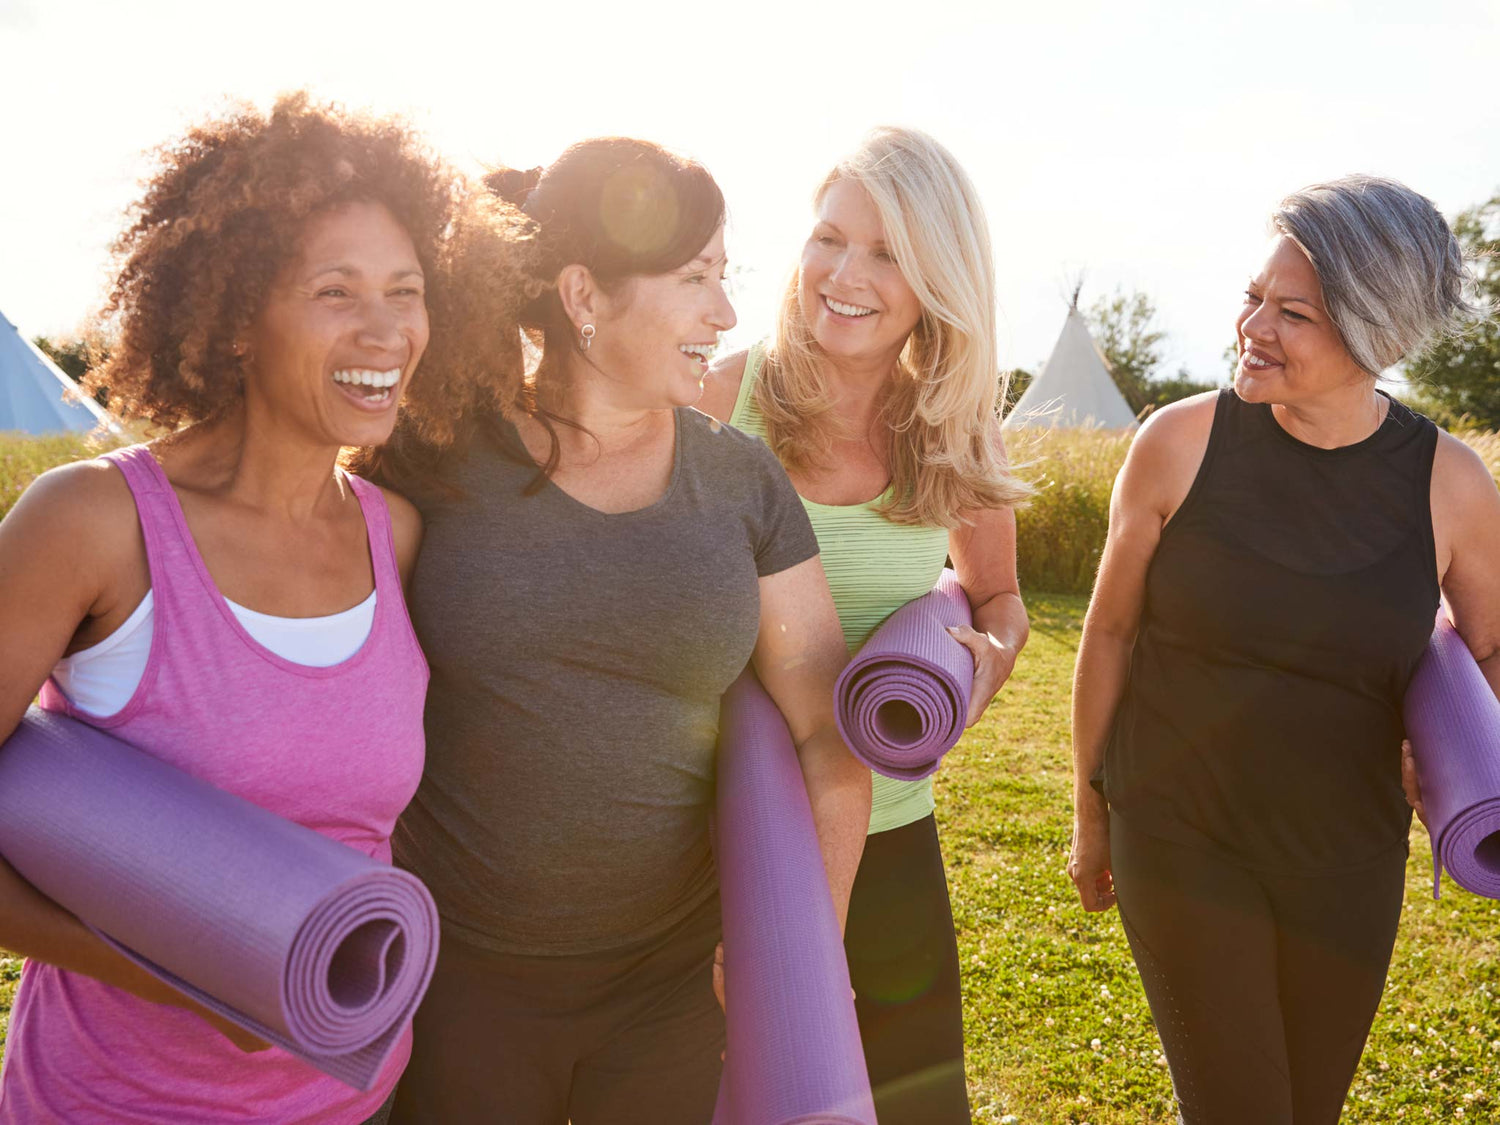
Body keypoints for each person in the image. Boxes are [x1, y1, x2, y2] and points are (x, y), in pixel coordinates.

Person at [0, 93, 477, 1125]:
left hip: (352, 1100)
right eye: (335, 291)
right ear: (237, 320)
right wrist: (192, 970)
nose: (386, 328)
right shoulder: (93, 523)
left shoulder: (395, 536)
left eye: (407, 289)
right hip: (113, 1103)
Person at [375, 138, 872, 1125]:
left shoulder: (739, 481)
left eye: (725, 278)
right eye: (695, 279)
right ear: (583, 296)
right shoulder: (428, 459)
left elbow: (827, 736)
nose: (726, 314)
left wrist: (803, 951)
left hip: (669, 992)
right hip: (457, 980)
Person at [1067, 175, 1500, 1125]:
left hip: (1348, 855)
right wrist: (1091, 810)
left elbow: (1492, 651)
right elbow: (1108, 630)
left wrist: (1454, 750)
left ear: (1374, 333)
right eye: (1253, 296)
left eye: (1291, 311)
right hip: (1178, 831)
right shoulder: (1176, 442)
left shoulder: (1451, 484)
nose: (1252, 325)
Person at [698, 126, 1031, 1125]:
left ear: (937, 277)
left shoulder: (953, 425)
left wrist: (988, 662)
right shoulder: (723, 397)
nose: (844, 274)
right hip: (717, 841)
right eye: (829, 237)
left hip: (889, 839)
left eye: (886, 252)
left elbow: (999, 598)